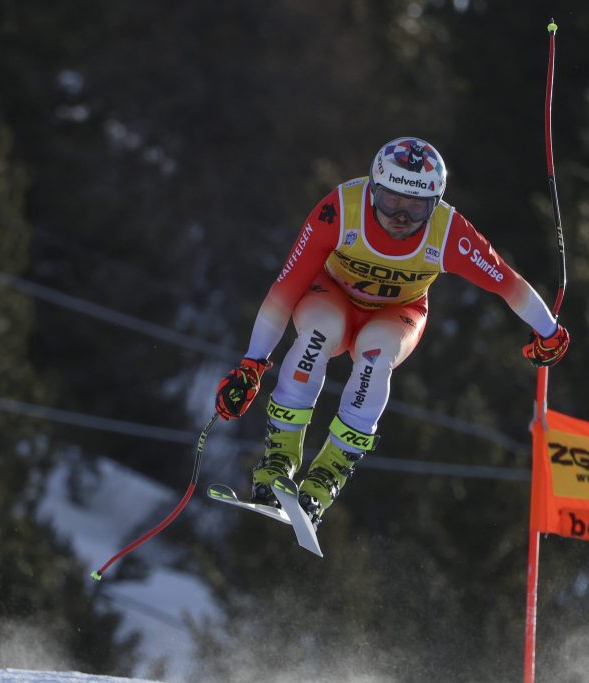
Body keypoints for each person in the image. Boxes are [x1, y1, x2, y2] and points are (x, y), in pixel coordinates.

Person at [214, 137, 569, 527]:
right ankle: (276, 463)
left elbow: (507, 282)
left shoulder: (448, 231)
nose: (401, 217)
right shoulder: (342, 210)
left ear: (434, 204)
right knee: (317, 334)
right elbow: (284, 291)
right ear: (372, 191)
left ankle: (324, 480)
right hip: (331, 296)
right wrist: (252, 363)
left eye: (416, 207)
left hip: (397, 313)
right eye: (390, 201)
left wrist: (549, 331)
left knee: (375, 357)